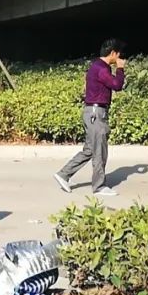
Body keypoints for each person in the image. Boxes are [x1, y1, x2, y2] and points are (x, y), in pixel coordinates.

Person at [54, 39, 127, 197]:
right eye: (119, 54)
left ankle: (63, 174)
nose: (120, 57)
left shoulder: (98, 66)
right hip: (96, 113)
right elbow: (116, 85)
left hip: (93, 112)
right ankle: (99, 186)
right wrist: (120, 69)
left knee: (89, 150)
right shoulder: (101, 69)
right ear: (113, 53)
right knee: (100, 150)